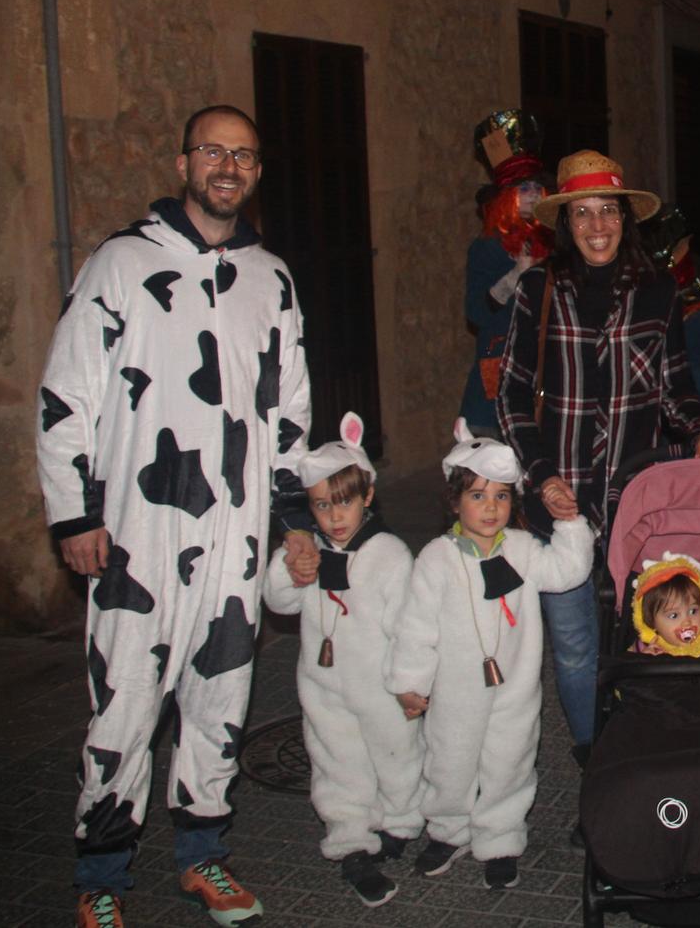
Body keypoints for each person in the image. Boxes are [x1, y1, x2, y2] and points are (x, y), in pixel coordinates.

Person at [37, 104, 313, 928]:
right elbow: (66, 395)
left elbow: (289, 405)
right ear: (184, 162)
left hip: (232, 535)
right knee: (123, 707)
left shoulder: (273, 279)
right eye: (213, 151)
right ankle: (102, 877)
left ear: (257, 172)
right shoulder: (120, 265)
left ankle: (203, 857)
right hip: (136, 534)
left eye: (245, 155)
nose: (228, 166)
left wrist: (292, 511)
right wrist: (73, 513)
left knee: (220, 699)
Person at [496, 150, 700, 753]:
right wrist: (541, 476)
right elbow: (514, 397)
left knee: (640, 638)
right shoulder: (538, 289)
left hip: (636, 500)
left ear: (626, 220)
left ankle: (638, 761)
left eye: (608, 211)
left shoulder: (656, 291)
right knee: (575, 646)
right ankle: (596, 767)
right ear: (565, 224)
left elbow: (675, 387)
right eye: (582, 213)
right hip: (563, 501)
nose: (597, 226)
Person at [386, 429, 593, 890]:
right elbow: (416, 626)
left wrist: (571, 524)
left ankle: (500, 836)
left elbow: (567, 572)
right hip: (455, 690)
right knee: (450, 760)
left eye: (501, 496)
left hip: (515, 688)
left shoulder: (521, 549)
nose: (491, 507)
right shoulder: (437, 559)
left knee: (510, 760)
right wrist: (410, 681)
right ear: (455, 502)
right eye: (477, 495)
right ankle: (448, 828)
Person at [262, 412, 422, 909]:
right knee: (337, 762)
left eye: (345, 502)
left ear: (367, 495)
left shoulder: (388, 553)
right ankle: (350, 839)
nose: (334, 517)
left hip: (381, 685)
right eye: (322, 505)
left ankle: (399, 822)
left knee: (398, 756)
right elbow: (278, 603)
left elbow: (410, 624)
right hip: (324, 686)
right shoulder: (305, 549)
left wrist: (411, 680)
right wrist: (291, 572)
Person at [459, 110, 554, 432]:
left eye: (535, 187)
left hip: (545, 367)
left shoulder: (555, 246)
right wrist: (515, 276)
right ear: (505, 199)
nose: (532, 194)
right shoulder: (486, 248)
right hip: (500, 364)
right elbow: (476, 312)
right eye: (522, 188)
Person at [640, 204, 700, 442]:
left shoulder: (640, 313)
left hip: (656, 435)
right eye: (684, 246)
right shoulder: (697, 319)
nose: (689, 252)